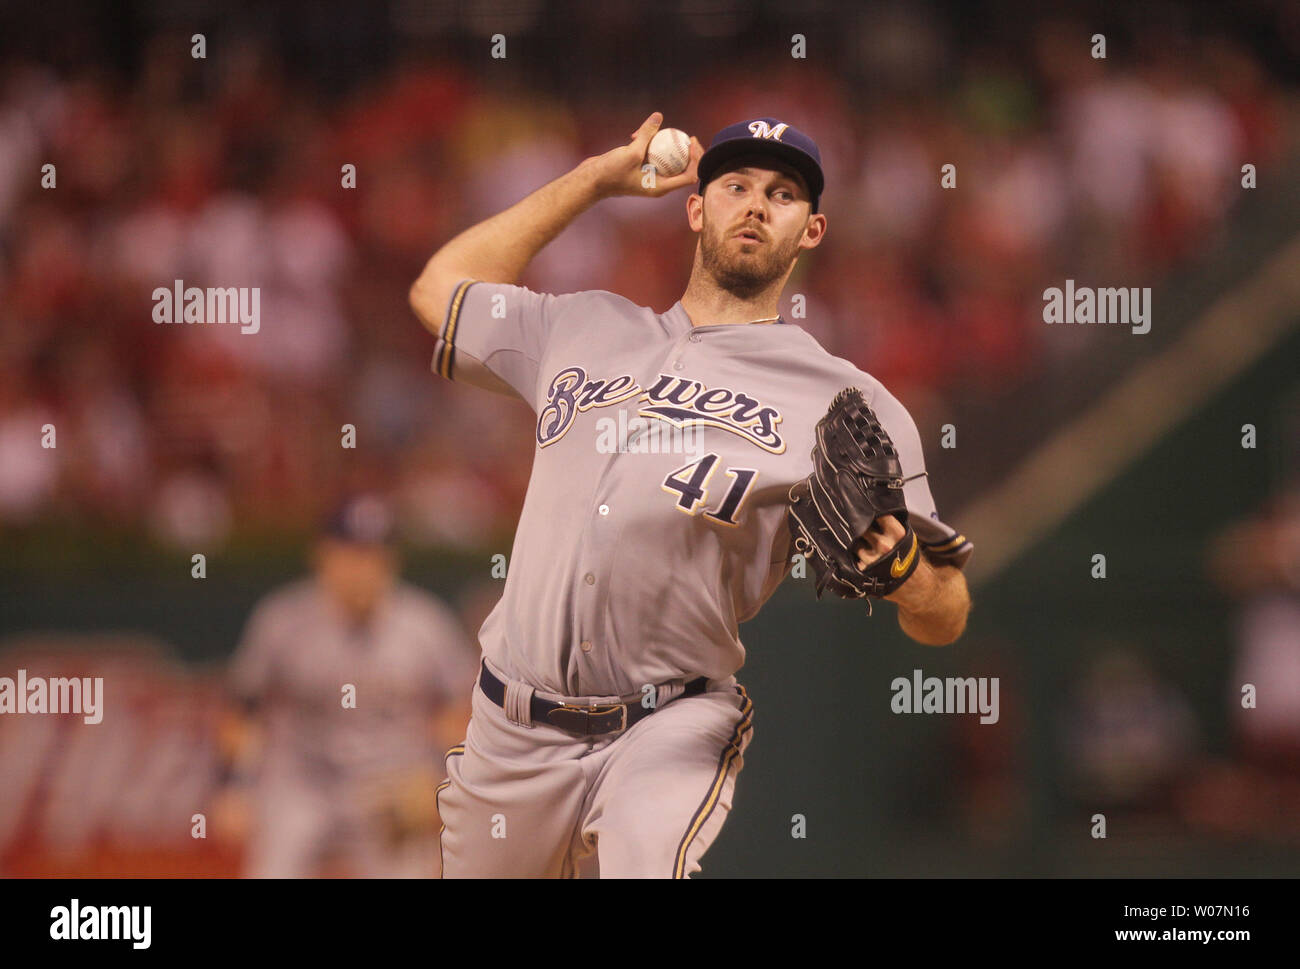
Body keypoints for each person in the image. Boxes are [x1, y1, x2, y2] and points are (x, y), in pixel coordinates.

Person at [408, 113, 973, 877]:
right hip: (511, 726)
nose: (754, 204)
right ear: (695, 208)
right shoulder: (582, 324)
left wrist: (910, 575)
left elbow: (949, 612)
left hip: (666, 722)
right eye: (735, 184)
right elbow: (437, 290)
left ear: (811, 230)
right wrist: (595, 182)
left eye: (781, 194)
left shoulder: (846, 401)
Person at [218, 494, 477, 877]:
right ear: (322, 556)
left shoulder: (425, 624)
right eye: (350, 554)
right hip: (303, 784)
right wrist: (235, 785)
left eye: (373, 556)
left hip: (391, 787)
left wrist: (446, 784)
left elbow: (460, 712)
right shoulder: (283, 619)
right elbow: (244, 707)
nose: (361, 568)